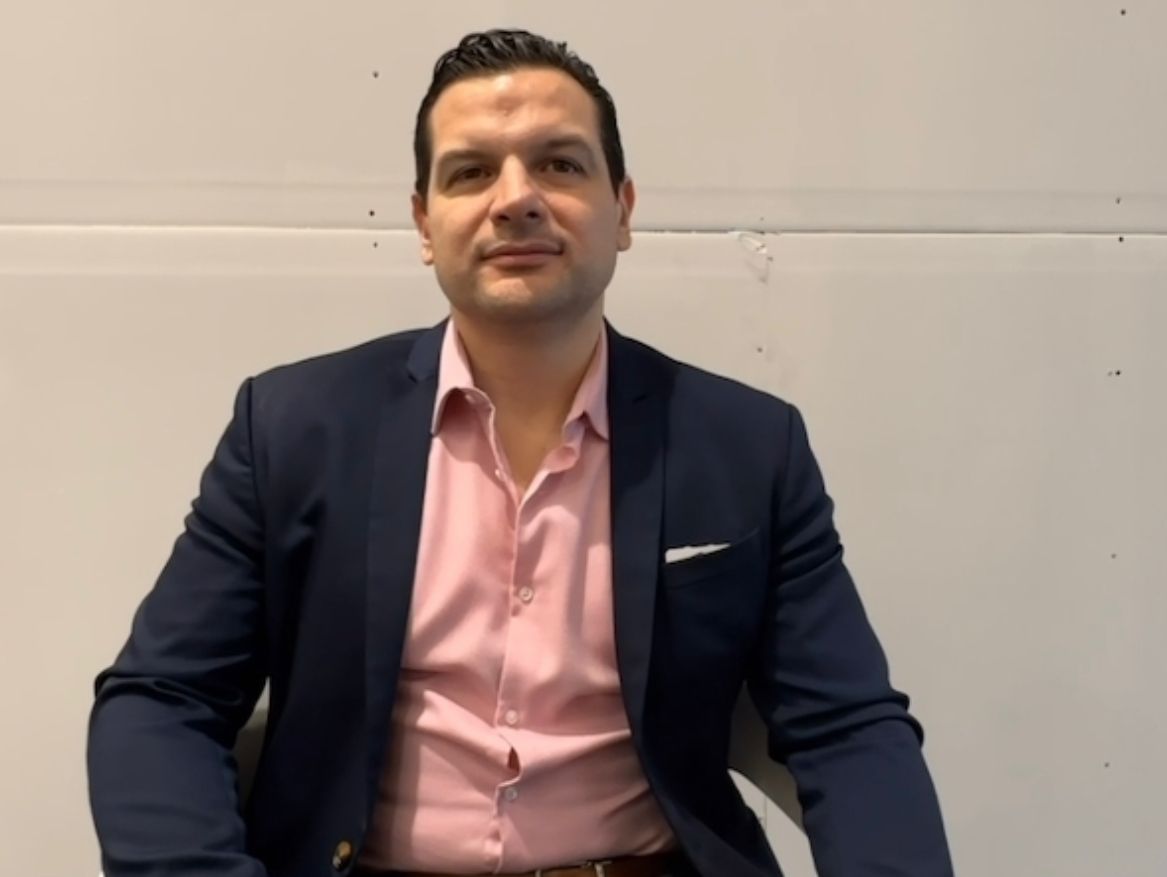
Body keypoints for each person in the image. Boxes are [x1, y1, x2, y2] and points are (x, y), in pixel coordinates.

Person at [87, 28, 953, 877]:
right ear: (425, 223)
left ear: (623, 210)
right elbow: (162, 698)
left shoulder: (747, 445)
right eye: (470, 172)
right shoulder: (293, 429)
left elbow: (845, 724)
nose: (515, 199)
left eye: (559, 164)